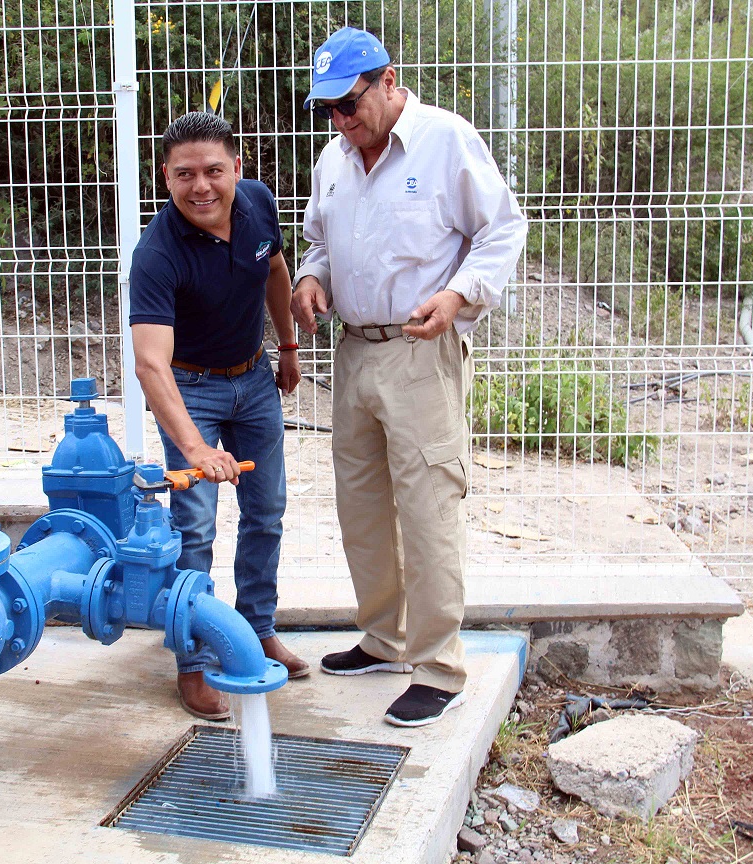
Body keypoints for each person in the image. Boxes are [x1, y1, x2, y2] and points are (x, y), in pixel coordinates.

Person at [291, 27, 527, 727]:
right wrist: (309, 278)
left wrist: (459, 296)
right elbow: (318, 241)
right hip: (353, 352)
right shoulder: (333, 160)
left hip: (422, 351)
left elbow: (503, 229)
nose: (340, 120)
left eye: (349, 103)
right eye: (328, 109)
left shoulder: (445, 140)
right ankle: (385, 638)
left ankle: (437, 665)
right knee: (360, 508)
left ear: (389, 80)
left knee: (428, 510)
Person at [130, 111, 309, 720]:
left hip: (254, 379)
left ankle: (257, 631)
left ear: (237, 168)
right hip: (191, 390)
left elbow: (277, 272)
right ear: (166, 178)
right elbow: (151, 366)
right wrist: (195, 450)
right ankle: (194, 660)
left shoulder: (258, 204)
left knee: (267, 512)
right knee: (195, 527)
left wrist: (286, 347)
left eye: (213, 170)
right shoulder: (157, 253)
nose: (201, 186)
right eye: (185, 175)